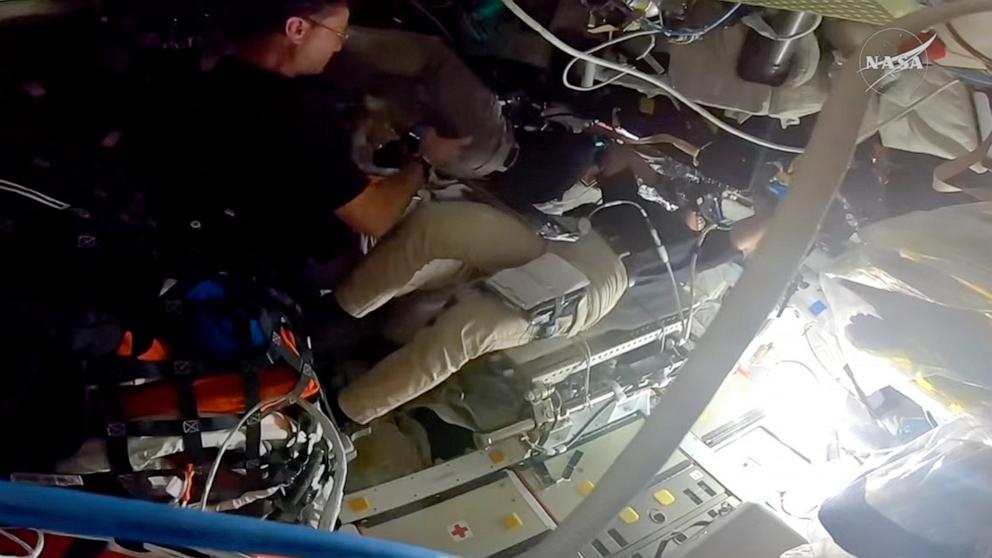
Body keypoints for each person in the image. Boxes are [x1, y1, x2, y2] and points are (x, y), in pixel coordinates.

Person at [192, 0, 471, 293]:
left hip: (234, 227)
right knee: (458, 261)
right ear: (297, 28)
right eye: (338, 33)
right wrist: (425, 158)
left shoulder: (223, 71)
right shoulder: (300, 117)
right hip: (301, 261)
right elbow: (374, 218)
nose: (338, 47)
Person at [333, 201, 629, 424]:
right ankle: (342, 310)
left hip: (602, 275)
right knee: (435, 225)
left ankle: (346, 411)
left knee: (466, 330)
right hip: (569, 227)